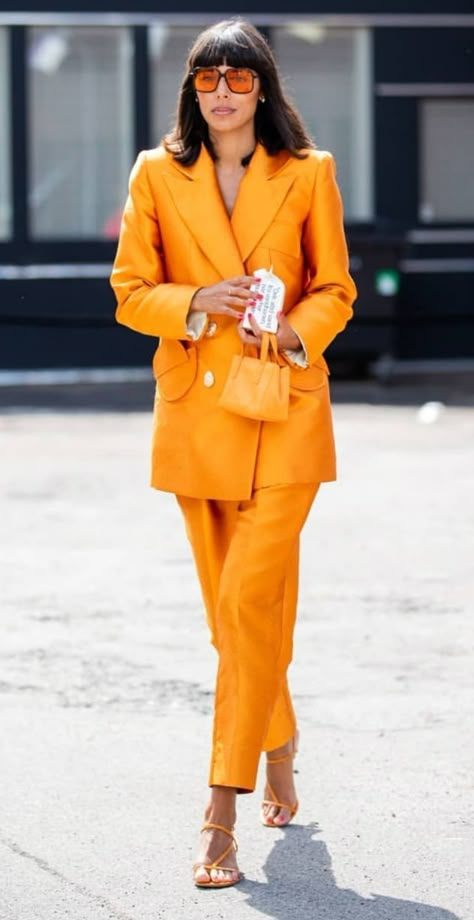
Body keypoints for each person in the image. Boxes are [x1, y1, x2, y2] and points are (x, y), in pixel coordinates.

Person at [110, 17, 357, 890]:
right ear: (192, 87)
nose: (221, 90)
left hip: (286, 410)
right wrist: (194, 300)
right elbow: (128, 291)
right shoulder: (156, 172)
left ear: (263, 88)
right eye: (207, 76)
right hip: (198, 418)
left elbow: (338, 286)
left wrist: (292, 334)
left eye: (239, 77)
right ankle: (280, 743)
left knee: (249, 599)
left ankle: (220, 809)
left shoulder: (309, 171)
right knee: (234, 619)